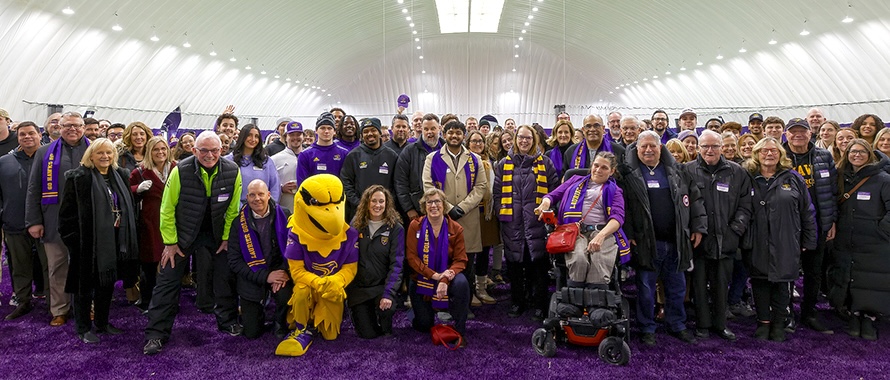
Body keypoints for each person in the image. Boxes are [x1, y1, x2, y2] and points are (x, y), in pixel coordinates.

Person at [143, 131, 243, 355]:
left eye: (214, 150)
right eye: (204, 151)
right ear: (194, 150)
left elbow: (232, 210)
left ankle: (227, 321)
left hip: (216, 234)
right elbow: (166, 209)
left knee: (224, 279)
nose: (210, 155)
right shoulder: (181, 171)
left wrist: (226, 238)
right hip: (182, 235)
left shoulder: (232, 171)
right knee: (167, 283)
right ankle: (156, 334)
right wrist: (170, 243)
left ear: (222, 150)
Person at [622, 130, 707, 346]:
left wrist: (698, 227)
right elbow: (624, 208)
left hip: (677, 241)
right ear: (637, 148)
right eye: (644, 147)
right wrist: (629, 234)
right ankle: (647, 327)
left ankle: (676, 324)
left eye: (653, 146)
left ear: (661, 147)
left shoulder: (677, 171)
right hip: (646, 242)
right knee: (646, 289)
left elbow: (694, 199)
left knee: (677, 288)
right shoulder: (627, 174)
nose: (649, 150)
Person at [59, 138, 139, 343]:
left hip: (115, 239)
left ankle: (102, 323)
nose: (105, 157)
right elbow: (66, 216)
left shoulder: (120, 175)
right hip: (87, 243)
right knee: (84, 288)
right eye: (100, 153)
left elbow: (128, 205)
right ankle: (83, 327)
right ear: (90, 156)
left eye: (109, 153)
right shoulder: (78, 178)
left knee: (107, 283)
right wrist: (75, 243)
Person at [744, 137, 817, 342]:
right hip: (756, 240)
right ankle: (763, 322)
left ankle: (778, 323)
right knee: (759, 283)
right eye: (764, 151)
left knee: (783, 284)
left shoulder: (793, 178)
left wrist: (809, 240)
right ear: (756, 154)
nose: (769, 154)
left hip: (787, 239)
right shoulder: (748, 177)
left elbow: (807, 211)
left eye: (774, 151)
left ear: (781, 155)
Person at [685, 130, 753, 341]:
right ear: (698, 148)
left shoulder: (737, 172)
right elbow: (684, 204)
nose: (709, 150)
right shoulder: (686, 171)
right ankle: (703, 324)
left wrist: (736, 229)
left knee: (721, 284)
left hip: (727, 239)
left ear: (722, 147)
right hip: (699, 240)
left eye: (714, 146)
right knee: (699, 284)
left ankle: (720, 324)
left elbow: (745, 204)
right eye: (705, 146)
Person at [25, 111, 90, 327]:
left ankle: (86, 305)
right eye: (67, 125)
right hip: (53, 219)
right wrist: (34, 221)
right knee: (57, 265)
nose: (72, 129)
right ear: (58, 128)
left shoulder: (94, 149)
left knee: (86, 265)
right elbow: (34, 188)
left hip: (86, 219)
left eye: (77, 125)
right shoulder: (44, 152)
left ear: (84, 127)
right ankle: (60, 309)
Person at [493, 125, 559, 320]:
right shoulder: (503, 164)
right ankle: (517, 302)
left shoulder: (545, 163)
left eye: (528, 138)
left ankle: (539, 304)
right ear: (515, 139)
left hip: (537, 222)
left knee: (538, 265)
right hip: (512, 222)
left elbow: (553, 191)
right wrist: (501, 212)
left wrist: (548, 213)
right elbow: (497, 194)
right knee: (514, 266)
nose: (524, 141)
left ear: (534, 140)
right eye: (521, 137)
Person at [423, 120, 489, 312]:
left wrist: (463, 207)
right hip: (441, 217)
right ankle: (442, 305)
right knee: (442, 261)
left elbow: (481, 187)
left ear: (463, 135)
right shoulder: (432, 158)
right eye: (451, 132)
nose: (454, 136)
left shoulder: (475, 159)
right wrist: (448, 207)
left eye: (458, 133)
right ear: (445, 134)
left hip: (468, 218)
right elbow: (428, 186)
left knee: (466, 264)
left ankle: (464, 306)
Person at [536, 151, 628, 288]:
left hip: (602, 231)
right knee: (579, 258)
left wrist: (601, 235)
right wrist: (545, 203)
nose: (598, 170)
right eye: (596, 165)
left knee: (599, 259)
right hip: (574, 231)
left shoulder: (615, 190)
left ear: (612, 171)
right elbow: (553, 195)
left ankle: (597, 300)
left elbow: (618, 218)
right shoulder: (575, 180)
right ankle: (574, 296)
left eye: (604, 168)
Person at [782, 117, 838, 334]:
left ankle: (809, 313)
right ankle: (786, 314)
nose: (798, 135)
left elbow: (832, 192)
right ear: (786, 135)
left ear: (810, 133)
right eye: (793, 131)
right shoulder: (779, 155)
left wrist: (831, 220)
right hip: (788, 226)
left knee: (814, 272)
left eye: (802, 131)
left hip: (817, 225)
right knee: (787, 272)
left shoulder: (823, 157)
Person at [831, 140, 890, 341]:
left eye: (862, 151)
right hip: (846, 238)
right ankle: (854, 313)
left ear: (870, 154)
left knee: (872, 279)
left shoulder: (883, 179)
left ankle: (870, 317)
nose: (857, 155)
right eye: (853, 151)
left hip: (875, 241)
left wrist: (882, 230)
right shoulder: (841, 178)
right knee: (850, 275)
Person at [227, 179, 293, 339]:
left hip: (279, 271)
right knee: (252, 333)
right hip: (252, 275)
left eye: (261, 194)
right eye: (252, 195)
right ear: (247, 198)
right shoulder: (238, 223)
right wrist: (265, 277)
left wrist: (282, 272)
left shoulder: (285, 215)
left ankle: (280, 321)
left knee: (286, 293)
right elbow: (234, 261)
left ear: (269, 195)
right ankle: (256, 313)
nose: (257, 198)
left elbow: (294, 249)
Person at [405, 188, 471, 345]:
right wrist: (434, 275)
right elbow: (412, 258)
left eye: (437, 201)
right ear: (424, 206)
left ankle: (460, 329)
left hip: (447, 276)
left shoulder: (456, 228)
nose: (433, 205)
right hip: (422, 278)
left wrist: (444, 280)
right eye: (429, 202)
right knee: (423, 325)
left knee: (462, 283)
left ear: (444, 205)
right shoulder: (415, 226)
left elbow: (461, 260)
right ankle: (416, 311)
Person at [1, 122, 48, 320]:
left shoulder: (50, 159)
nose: (27, 137)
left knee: (49, 266)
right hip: (14, 222)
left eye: (31, 133)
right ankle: (23, 301)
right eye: (22, 134)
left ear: (39, 135)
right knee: (20, 266)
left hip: (46, 224)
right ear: (17, 137)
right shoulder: (4, 162)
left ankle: (55, 304)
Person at [346, 185, 404, 339]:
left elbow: (397, 265)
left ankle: (384, 316)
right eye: (373, 201)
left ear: (387, 204)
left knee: (385, 319)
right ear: (366, 203)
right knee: (367, 334)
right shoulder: (355, 225)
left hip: (381, 288)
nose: (377, 205)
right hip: (359, 289)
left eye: (381, 201)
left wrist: (388, 293)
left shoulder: (395, 228)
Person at [130, 136, 175, 312]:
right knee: (149, 264)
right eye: (156, 149)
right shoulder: (140, 172)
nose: (160, 152)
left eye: (163, 149)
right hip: (149, 223)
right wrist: (137, 189)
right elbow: (127, 194)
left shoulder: (175, 169)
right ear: (149, 151)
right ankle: (147, 300)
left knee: (170, 264)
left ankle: (169, 301)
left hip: (171, 222)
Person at [342, 118, 399, 222]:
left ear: (379, 132)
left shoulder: (392, 156)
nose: (369, 134)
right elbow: (346, 183)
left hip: (385, 211)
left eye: (373, 130)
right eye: (365, 131)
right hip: (359, 212)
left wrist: (387, 204)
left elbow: (397, 183)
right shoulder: (353, 156)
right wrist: (360, 203)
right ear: (361, 135)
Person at [464, 130, 498, 304]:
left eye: (480, 141)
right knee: (469, 254)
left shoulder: (489, 163)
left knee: (484, 252)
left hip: (486, 213)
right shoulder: (463, 161)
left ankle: (481, 288)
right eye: (474, 141)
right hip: (469, 212)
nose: (477, 144)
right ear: (467, 143)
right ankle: (469, 291)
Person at [395, 113, 444, 223]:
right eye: (426, 129)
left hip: (444, 207)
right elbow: (400, 182)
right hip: (418, 209)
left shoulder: (447, 149)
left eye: (433, 128)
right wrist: (409, 208)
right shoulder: (409, 152)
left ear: (439, 129)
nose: (429, 132)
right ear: (421, 130)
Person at [227, 124, 280, 203]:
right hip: (236, 210)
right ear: (242, 137)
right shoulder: (229, 160)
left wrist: (268, 208)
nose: (253, 139)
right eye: (249, 135)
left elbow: (275, 187)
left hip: (263, 209)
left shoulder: (267, 161)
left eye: (256, 136)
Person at [296, 112, 350, 184]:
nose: (326, 131)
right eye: (322, 128)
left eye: (329, 128)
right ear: (316, 131)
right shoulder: (305, 155)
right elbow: (302, 182)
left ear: (334, 131)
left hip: (337, 194)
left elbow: (347, 180)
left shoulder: (344, 153)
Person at [270, 121, 303, 213]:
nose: (295, 138)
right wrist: (281, 188)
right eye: (292, 135)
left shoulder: (309, 156)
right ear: (285, 137)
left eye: (298, 134)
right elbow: (268, 183)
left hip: (306, 209)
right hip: (284, 210)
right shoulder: (275, 159)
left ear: (303, 136)